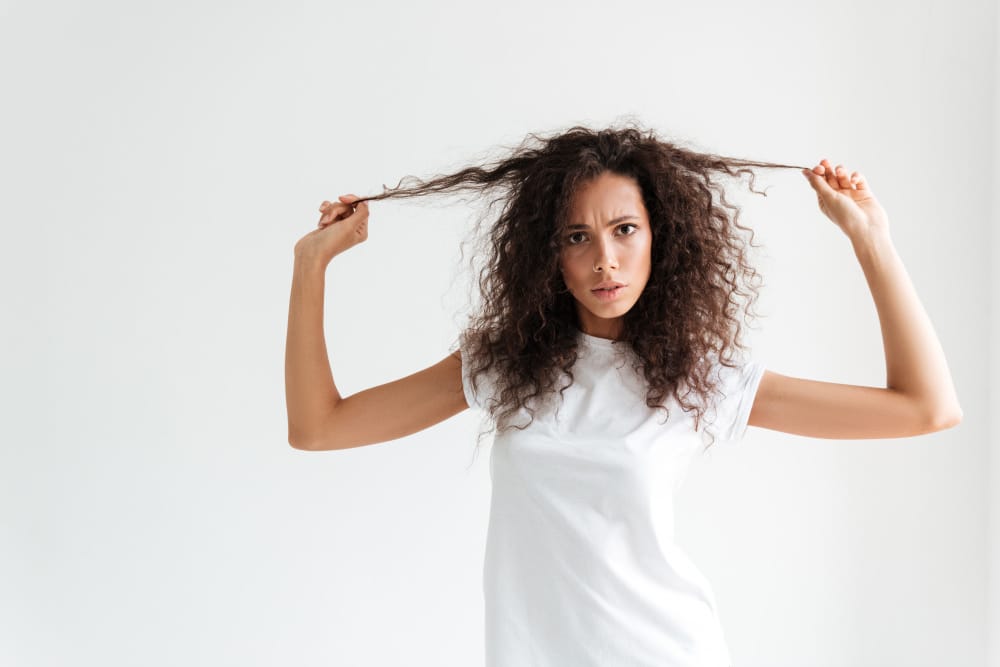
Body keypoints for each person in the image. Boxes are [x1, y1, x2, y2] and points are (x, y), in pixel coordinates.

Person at [284, 123, 962, 667]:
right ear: (549, 255)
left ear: (658, 237)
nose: (604, 258)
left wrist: (872, 240)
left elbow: (926, 408)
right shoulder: (503, 367)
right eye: (577, 237)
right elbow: (318, 426)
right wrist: (310, 266)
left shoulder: (698, 378)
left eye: (624, 230)